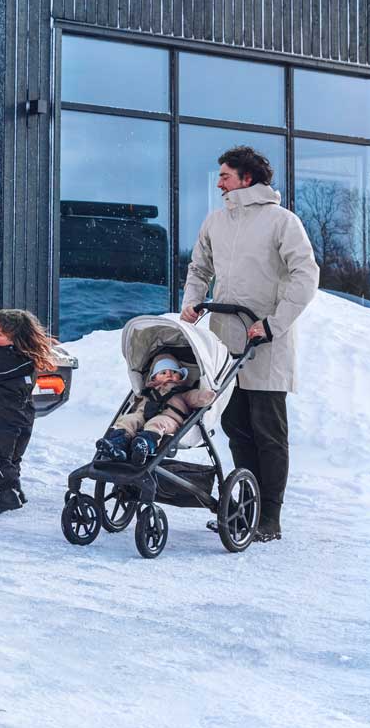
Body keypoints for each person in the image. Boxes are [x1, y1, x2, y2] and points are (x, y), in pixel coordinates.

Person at [180, 145, 319, 542]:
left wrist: (273, 324)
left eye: (225, 175)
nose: (219, 182)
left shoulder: (282, 222)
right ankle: (246, 507)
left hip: (266, 342)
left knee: (267, 431)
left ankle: (270, 519)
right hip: (224, 342)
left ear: (247, 179)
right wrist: (191, 304)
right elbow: (198, 268)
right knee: (234, 423)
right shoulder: (215, 222)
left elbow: (305, 276)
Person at [0, 308, 59, 513]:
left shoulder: (0, 357)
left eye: (2, 333)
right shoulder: (29, 358)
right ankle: (16, 490)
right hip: (23, 415)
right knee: (12, 456)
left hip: (0, 415)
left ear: (15, 339)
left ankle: (8, 495)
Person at [95, 353, 217, 466]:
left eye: (174, 372)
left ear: (181, 376)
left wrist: (205, 396)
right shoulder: (148, 392)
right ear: (154, 378)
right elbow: (136, 402)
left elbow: (195, 397)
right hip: (143, 416)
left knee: (157, 423)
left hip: (170, 420)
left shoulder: (183, 392)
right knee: (129, 419)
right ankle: (117, 444)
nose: (169, 375)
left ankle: (144, 445)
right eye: (163, 373)